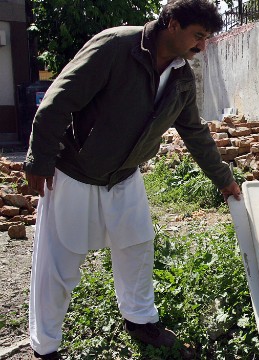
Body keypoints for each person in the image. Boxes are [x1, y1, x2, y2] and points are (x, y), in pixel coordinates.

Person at [24, 1, 241, 358]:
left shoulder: (181, 77)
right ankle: (45, 346)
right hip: (76, 171)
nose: (202, 47)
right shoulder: (116, 46)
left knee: (137, 245)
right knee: (59, 263)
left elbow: (195, 133)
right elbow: (58, 100)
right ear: (171, 23)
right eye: (197, 36)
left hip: (125, 176)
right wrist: (39, 159)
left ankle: (140, 321)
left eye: (205, 39)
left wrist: (224, 179)